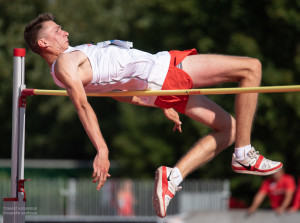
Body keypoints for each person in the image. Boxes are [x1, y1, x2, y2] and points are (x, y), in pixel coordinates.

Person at [24, 13, 283, 218]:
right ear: (43, 43)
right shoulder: (64, 64)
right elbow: (82, 106)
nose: (65, 31)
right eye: (57, 30)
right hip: (164, 70)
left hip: (158, 84)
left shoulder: (70, 66)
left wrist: (159, 103)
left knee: (229, 129)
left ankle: (173, 177)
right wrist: (102, 149)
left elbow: (116, 92)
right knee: (251, 68)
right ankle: (244, 154)